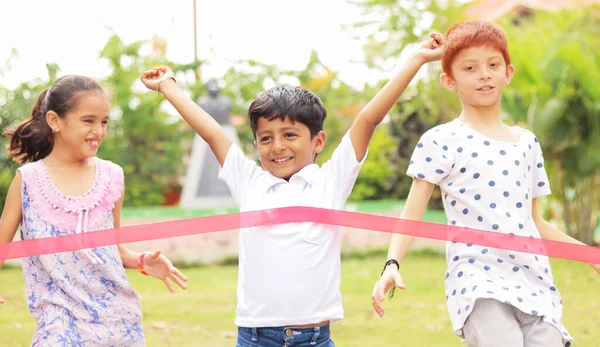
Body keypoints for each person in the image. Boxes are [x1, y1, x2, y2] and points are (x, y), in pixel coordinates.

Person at [140, 33, 445, 347]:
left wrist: (416, 60)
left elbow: (369, 118)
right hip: (255, 339)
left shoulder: (330, 181)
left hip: (314, 339)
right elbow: (212, 133)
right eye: (266, 138)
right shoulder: (249, 182)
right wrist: (168, 86)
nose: (278, 146)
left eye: (289, 134)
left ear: (318, 141)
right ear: (256, 144)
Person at [371, 20, 600, 347]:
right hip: (478, 283)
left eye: (493, 65)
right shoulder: (440, 141)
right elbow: (412, 214)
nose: (484, 74)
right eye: (470, 67)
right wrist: (392, 263)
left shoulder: (527, 143)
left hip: (534, 281)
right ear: (449, 81)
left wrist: (590, 255)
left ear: (508, 72)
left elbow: (534, 222)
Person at [0, 75, 188, 346]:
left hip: (118, 323)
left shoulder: (112, 176)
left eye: (104, 122)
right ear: (55, 121)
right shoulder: (28, 179)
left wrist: (141, 261)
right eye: (88, 121)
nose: (98, 130)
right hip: (58, 322)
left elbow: (114, 248)